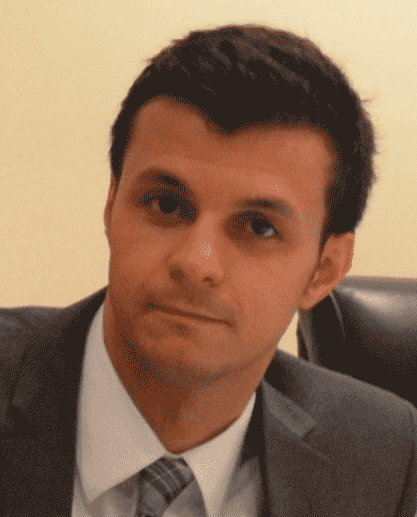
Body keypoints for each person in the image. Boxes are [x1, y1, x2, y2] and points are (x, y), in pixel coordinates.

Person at [1, 24, 416, 517]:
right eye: (165, 204)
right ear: (111, 207)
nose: (196, 262)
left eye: (259, 227)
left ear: (324, 271)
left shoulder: (384, 455)